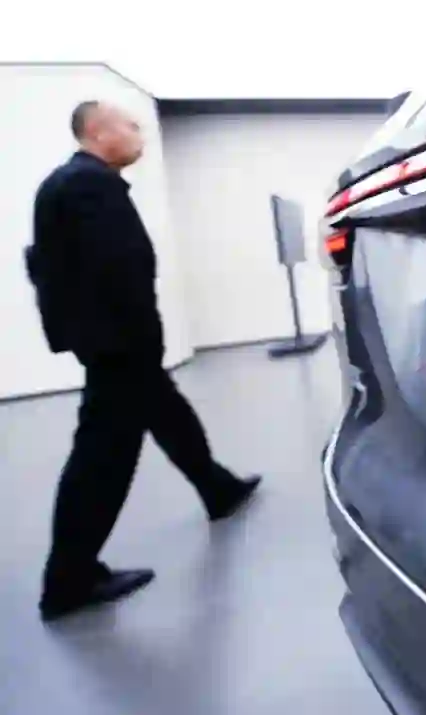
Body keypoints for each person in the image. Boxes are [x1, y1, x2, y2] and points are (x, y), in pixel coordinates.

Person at [25, 100, 261, 622]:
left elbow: (52, 268)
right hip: (119, 346)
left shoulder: (71, 183)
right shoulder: (88, 185)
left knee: (167, 412)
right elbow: (116, 272)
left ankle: (216, 488)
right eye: (131, 125)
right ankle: (68, 580)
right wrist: (134, 341)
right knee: (102, 458)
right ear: (98, 131)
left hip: (112, 343)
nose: (140, 134)